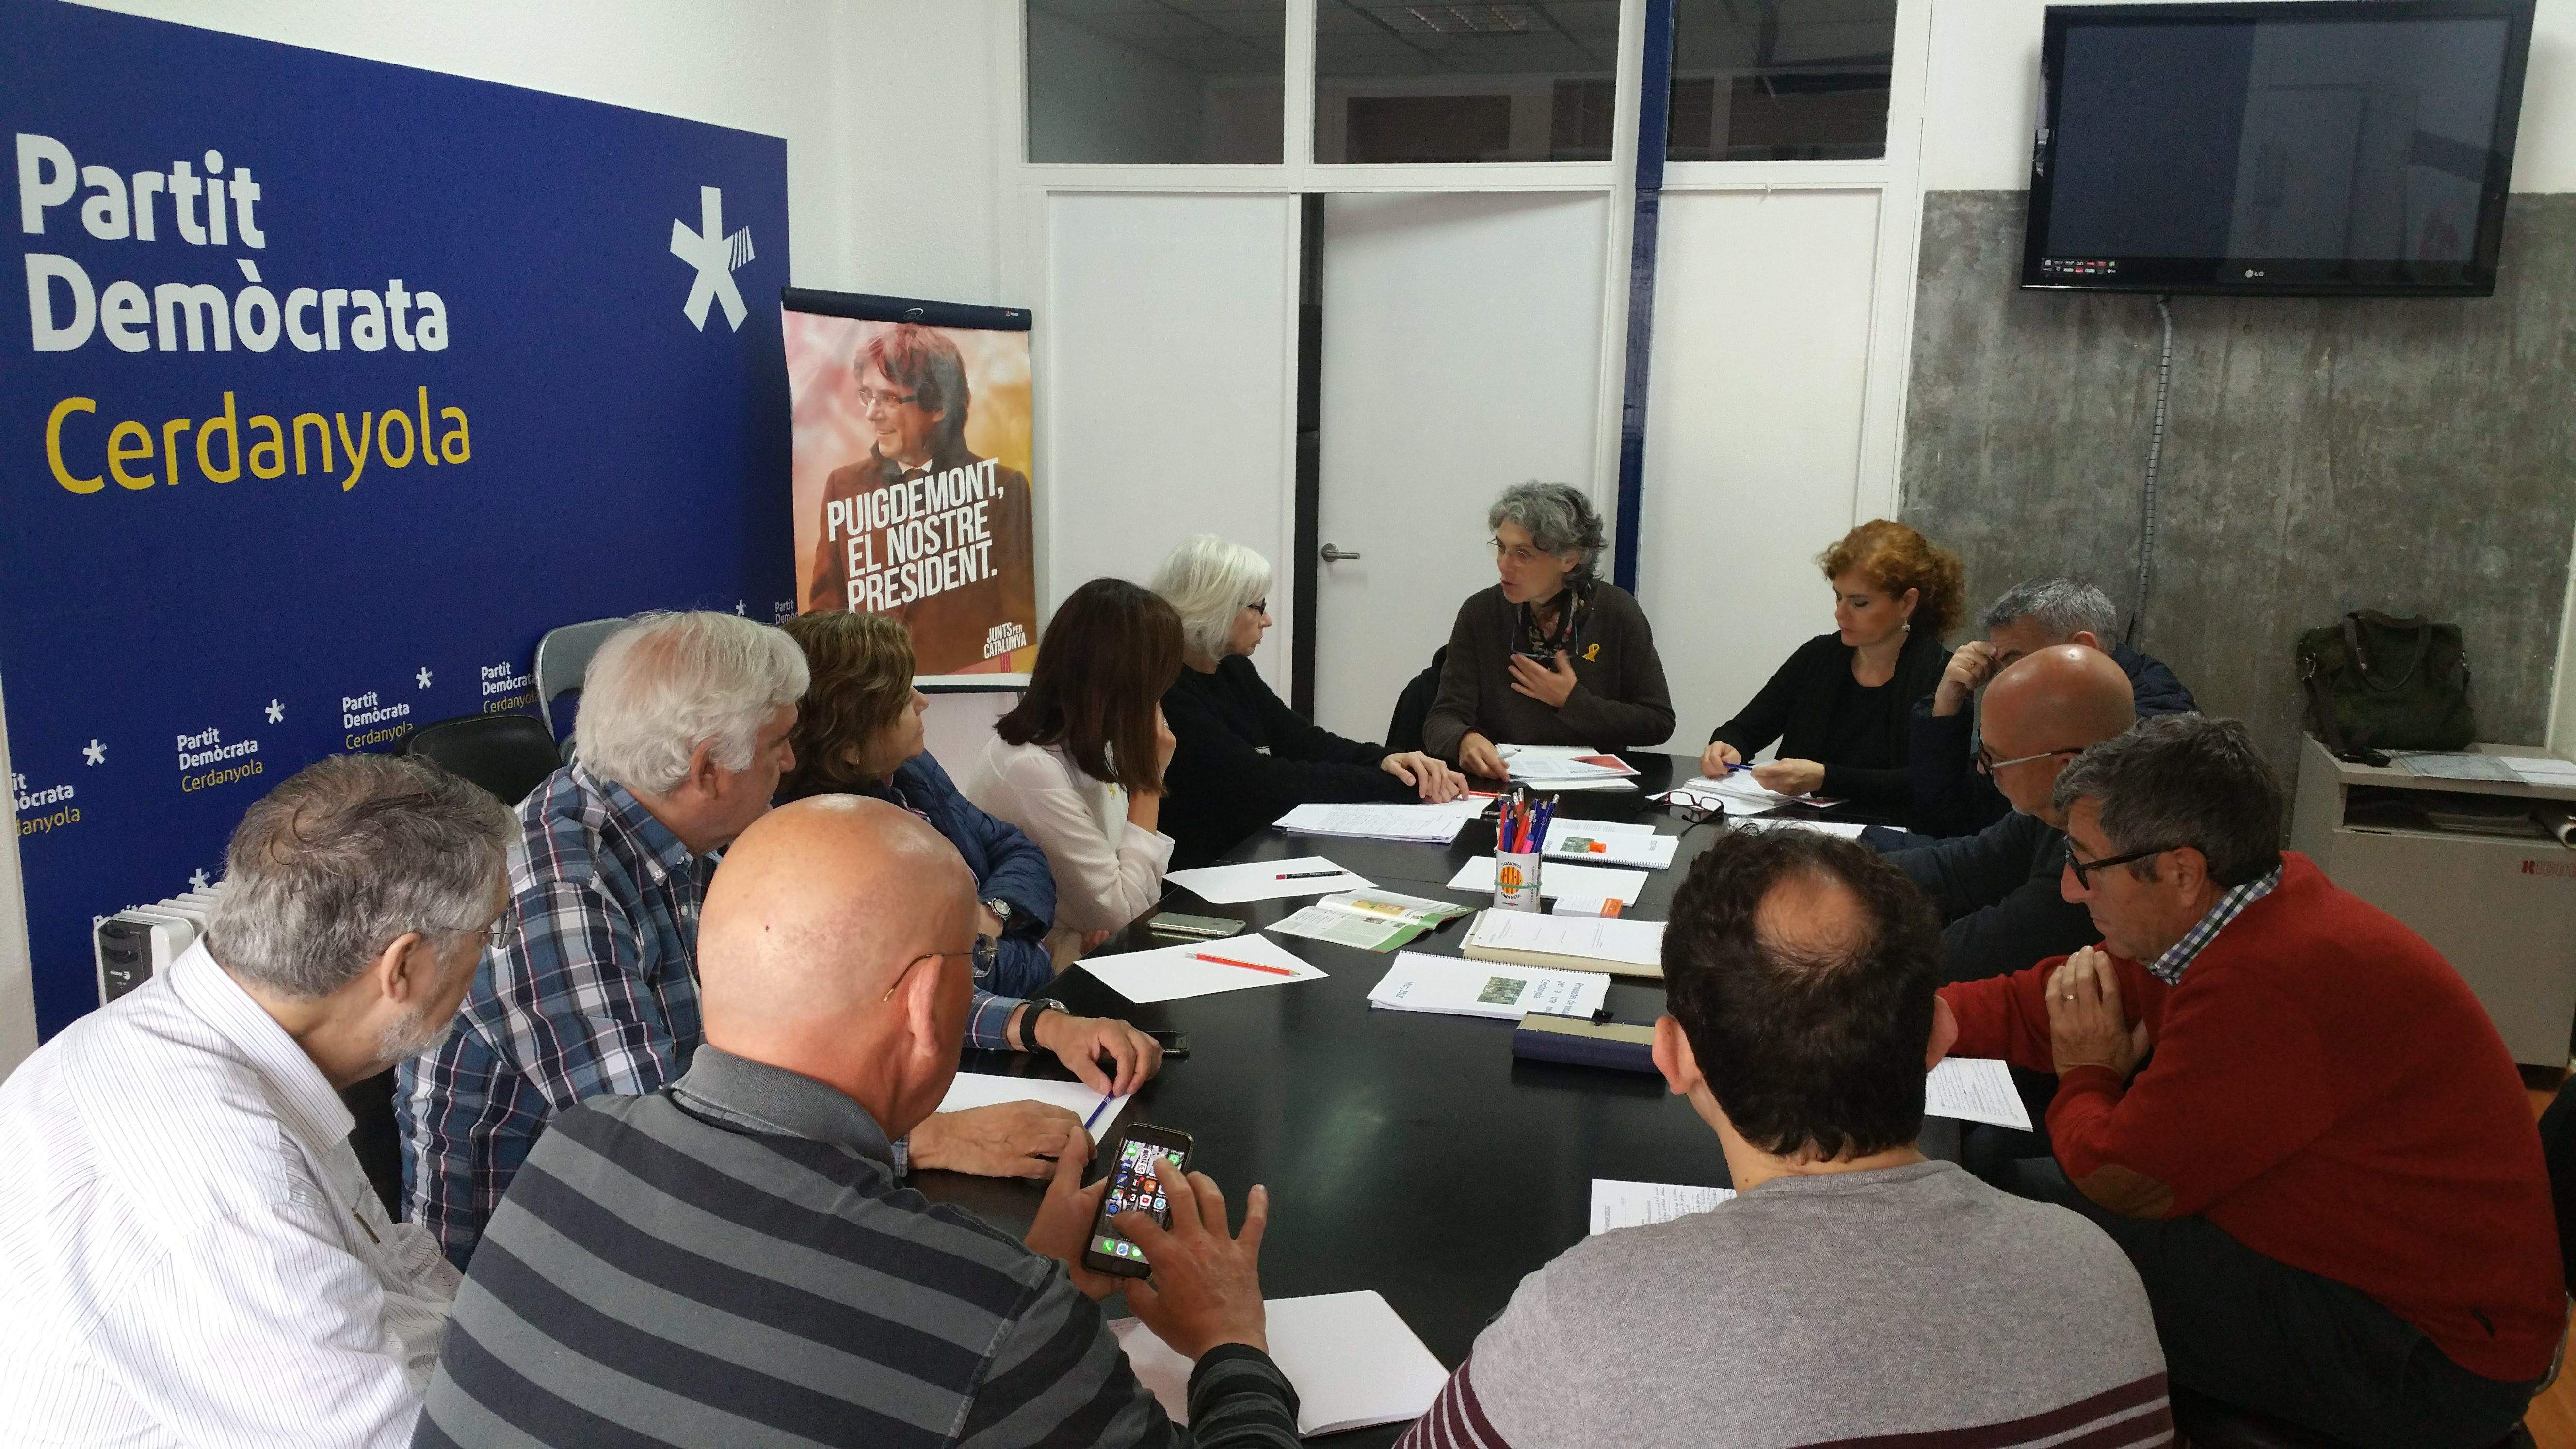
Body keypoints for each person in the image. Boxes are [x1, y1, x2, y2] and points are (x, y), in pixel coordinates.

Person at [417, 796, 1299, 1448]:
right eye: (971, 962)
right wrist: (1231, 1341)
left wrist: (1026, 1284)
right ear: (925, 1005)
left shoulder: (566, 1152)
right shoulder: (996, 1316)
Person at [402, 611, 1160, 1268]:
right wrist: (923, 1144)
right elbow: (666, 1147)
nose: (793, 763)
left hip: (674, 1213)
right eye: (778, 744)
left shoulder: (687, 832)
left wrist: (1038, 1023)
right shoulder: (557, 894)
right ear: (707, 770)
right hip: (556, 1266)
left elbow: (848, 984)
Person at [1397, 827, 2167, 1449]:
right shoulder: (2099, 1275)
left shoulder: (1584, 1323)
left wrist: (1265, 1375)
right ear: (1939, 1036)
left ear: (1673, 1055)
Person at [1934, 715, 2560, 1448]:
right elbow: (2062, 1001)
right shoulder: (2240, 908)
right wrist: (1917, 1021)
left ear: (2180, 871)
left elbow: (2124, 1178)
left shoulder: (2272, 980)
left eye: (2086, 862)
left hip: (2430, 1358)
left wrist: (2089, 1073)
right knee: (2006, 1179)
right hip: (2368, 1276)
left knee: (2019, 1233)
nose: (2072, 890)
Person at [0, 755, 513, 1448]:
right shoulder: (237, 1182)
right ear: (404, 967)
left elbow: (394, 1264)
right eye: (489, 934)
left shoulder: (216, 1032)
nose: (490, 956)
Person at [779, 609, 1066, 993]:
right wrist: (1046, 956)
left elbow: (1015, 848)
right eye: (902, 698)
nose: (923, 701)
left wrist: (993, 914)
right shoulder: (831, 842)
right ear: (849, 744)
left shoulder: (913, 767)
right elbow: (945, 980)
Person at [1152, 534, 1466, 868]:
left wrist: (1386, 760)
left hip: (1248, 852)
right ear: (1215, 608)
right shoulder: (1167, 691)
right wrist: (1395, 784)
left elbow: (1303, 742)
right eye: (1257, 607)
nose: (1267, 620)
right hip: (1199, 870)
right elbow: (1261, 782)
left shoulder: (1232, 668)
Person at [1884, 645, 2137, 984]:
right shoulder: (2057, 811)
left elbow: (1981, 951)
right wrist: (1837, 876)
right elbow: (1958, 868)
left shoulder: (2113, 850)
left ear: (2066, 767)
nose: (1983, 769)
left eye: (1994, 758)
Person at [805, 322, 1039, 675]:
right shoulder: (844, 486)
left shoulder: (1004, 491)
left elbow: (1018, 628)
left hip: (969, 695)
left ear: (938, 405)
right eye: (867, 395)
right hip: (870, 700)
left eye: (889, 398)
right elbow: (826, 616)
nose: (871, 413)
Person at [965, 577, 1186, 935]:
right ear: (1124, 684)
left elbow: (1134, 900)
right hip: (1046, 974)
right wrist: (1149, 780)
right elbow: (1124, 916)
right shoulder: (1030, 768)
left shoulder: (1090, 743)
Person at [1699, 519, 1959, 813]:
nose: (1840, 613)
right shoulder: (1818, 656)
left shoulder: (1940, 675)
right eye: (1838, 596)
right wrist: (1727, 747)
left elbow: (1930, 785)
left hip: (1893, 839)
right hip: (1797, 829)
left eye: (1859, 603)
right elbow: (1746, 730)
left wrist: (1825, 778)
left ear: (1907, 603)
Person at [1422, 482, 1675, 780]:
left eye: (1523, 554)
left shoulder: (1616, 612)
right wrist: (1464, 739)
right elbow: (1442, 717)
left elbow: (1657, 723)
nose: (1504, 565)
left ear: (1569, 559)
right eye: (1501, 548)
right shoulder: (1481, 612)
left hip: (1596, 794)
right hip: (1504, 785)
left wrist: (1572, 702)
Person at [1912, 578, 2196, 836]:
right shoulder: (2054, 707)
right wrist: (1948, 703)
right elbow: (1950, 816)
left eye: (2014, 658)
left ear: (2083, 648)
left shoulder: (2153, 726)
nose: (2003, 679)